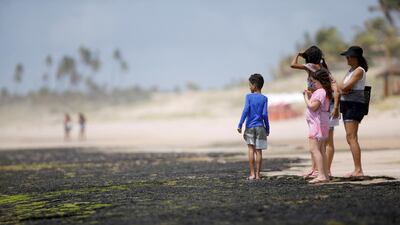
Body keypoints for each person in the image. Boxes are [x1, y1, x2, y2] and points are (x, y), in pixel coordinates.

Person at [290, 46, 340, 178]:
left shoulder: (310, 67)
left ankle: (323, 171)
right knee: (323, 141)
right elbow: (336, 90)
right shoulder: (325, 71)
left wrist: (298, 54)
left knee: (320, 142)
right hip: (325, 105)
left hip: (320, 106)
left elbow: (292, 65)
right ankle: (319, 170)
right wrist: (335, 107)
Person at [339, 46, 368, 177]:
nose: (347, 58)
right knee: (349, 137)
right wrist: (343, 89)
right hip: (347, 104)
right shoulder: (351, 70)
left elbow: (344, 86)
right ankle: (357, 169)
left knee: (352, 137)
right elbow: (341, 87)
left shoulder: (359, 71)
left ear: (355, 58)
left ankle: (358, 169)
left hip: (354, 105)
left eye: (349, 56)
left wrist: (344, 88)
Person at [237, 73, 270, 181]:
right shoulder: (264, 98)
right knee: (259, 151)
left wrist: (240, 124)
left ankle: (252, 174)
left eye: (250, 85)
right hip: (261, 127)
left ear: (255, 85)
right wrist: (267, 128)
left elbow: (246, 110)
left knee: (251, 149)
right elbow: (265, 114)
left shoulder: (249, 97)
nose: (249, 87)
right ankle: (258, 175)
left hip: (250, 127)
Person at [303, 69, 332, 184]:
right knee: (321, 150)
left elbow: (313, 106)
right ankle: (325, 174)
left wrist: (305, 97)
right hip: (321, 123)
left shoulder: (320, 91)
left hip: (317, 124)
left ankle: (321, 175)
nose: (313, 84)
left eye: (314, 81)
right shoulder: (323, 91)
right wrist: (311, 95)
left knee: (314, 149)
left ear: (320, 81)